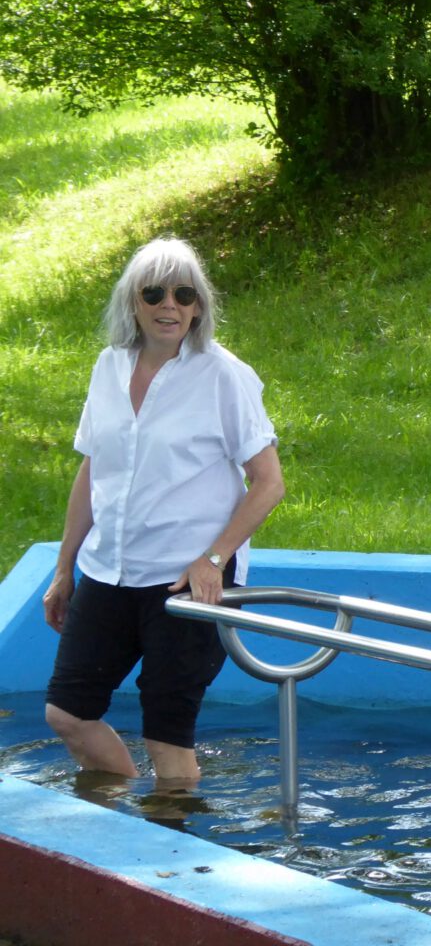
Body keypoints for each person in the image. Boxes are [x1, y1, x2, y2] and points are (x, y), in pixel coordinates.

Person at [42, 237, 285, 781]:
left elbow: (268, 482)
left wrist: (213, 560)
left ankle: (171, 854)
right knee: (68, 714)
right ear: (133, 303)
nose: (168, 305)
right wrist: (65, 568)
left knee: (167, 741)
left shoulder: (224, 375)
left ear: (199, 305)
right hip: (109, 572)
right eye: (153, 293)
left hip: (185, 582)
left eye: (182, 293)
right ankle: (122, 822)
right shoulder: (108, 366)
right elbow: (92, 469)